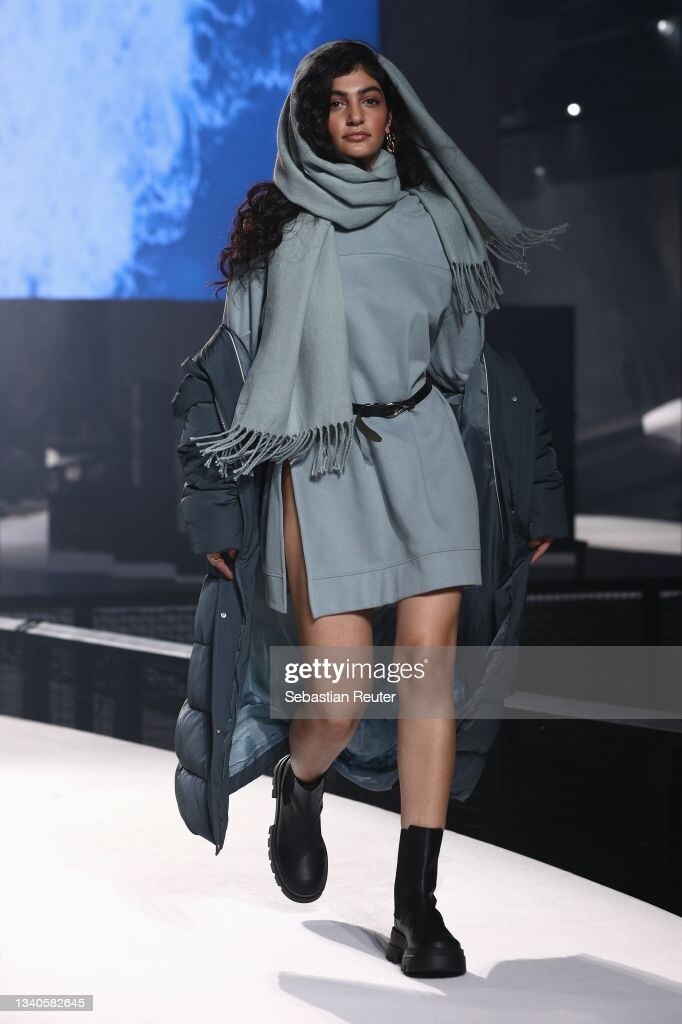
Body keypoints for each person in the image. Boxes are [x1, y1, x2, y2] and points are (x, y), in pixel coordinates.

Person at [193, 39, 566, 979]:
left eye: (370, 99)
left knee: (429, 677)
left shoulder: (435, 220)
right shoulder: (280, 232)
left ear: (393, 115)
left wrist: (535, 483)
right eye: (337, 102)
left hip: (424, 449)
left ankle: (417, 909)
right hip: (322, 458)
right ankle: (300, 780)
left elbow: (475, 369)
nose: (356, 115)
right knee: (338, 694)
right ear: (313, 119)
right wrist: (213, 509)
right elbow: (224, 379)